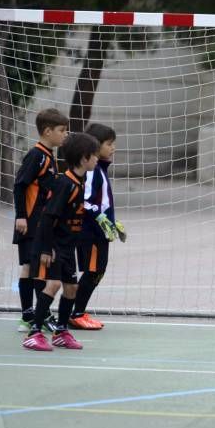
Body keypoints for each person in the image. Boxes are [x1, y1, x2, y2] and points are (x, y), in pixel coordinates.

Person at [22, 133, 100, 351]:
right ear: (84, 158)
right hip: (53, 245)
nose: (97, 160)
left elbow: (75, 216)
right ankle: (34, 331)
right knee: (53, 284)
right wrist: (47, 248)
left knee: (71, 288)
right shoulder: (64, 184)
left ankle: (61, 331)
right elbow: (48, 218)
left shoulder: (80, 182)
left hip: (68, 246)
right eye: (94, 156)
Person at [13, 108, 69, 333]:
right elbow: (19, 185)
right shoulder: (36, 155)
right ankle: (33, 315)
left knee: (32, 267)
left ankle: (33, 314)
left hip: (41, 222)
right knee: (32, 267)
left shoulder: (49, 155)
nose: (65, 134)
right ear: (47, 131)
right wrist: (21, 216)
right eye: (62, 130)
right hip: (30, 222)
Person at [70, 123, 127, 330]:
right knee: (94, 270)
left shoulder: (100, 169)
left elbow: (100, 201)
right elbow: (85, 201)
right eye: (109, 144)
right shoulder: (92, 171)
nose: (113, 148)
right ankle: (75, 314)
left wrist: (113, 222)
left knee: (97, 271)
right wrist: (100, 218)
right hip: (90, 233)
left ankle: (78, 311)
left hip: (100, 232)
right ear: (95, 147)